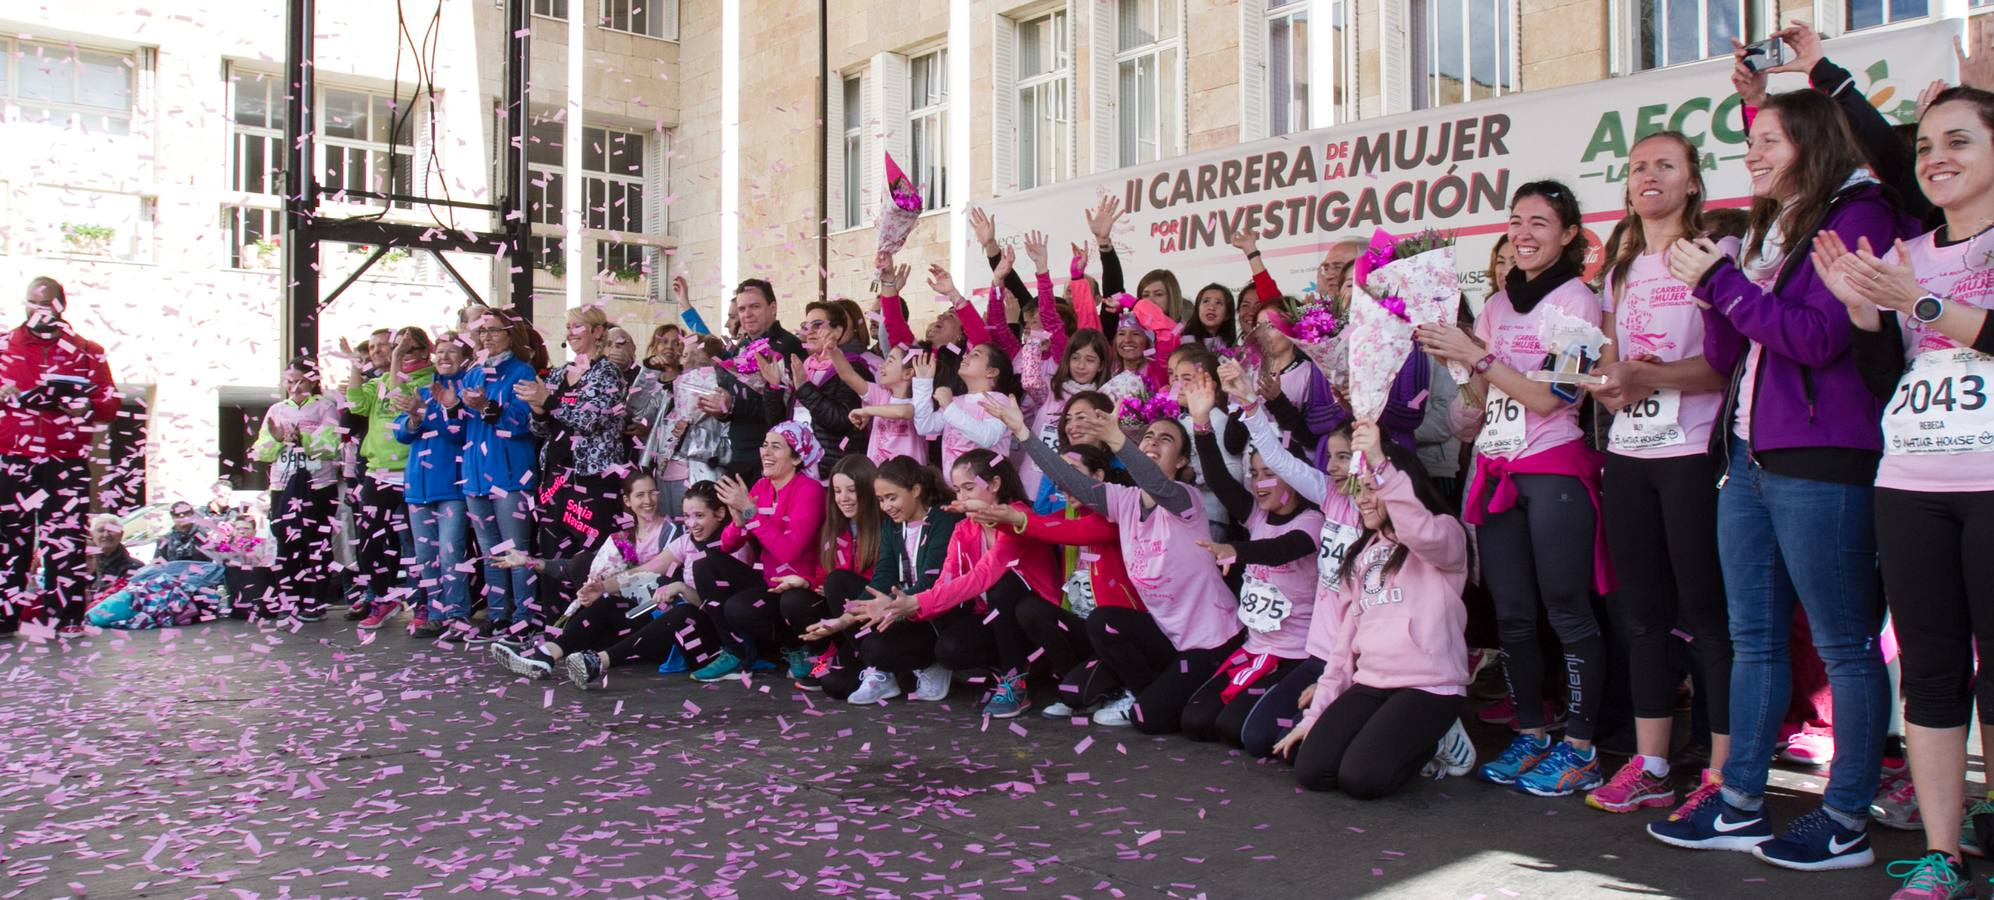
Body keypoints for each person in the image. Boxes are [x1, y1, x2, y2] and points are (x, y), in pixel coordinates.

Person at [1646, 87, 1902, 872]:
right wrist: (1710, 285)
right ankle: (1739, 803)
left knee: (1844, 646)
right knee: (1755, 638)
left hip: (1825, 457)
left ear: (1813, 143)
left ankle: (1847, 816)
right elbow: (1734, 355)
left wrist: (1722, 285)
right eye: (1750, 141)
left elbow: (1821, 339)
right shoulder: (1773, 226)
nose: (1750, 153)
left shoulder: (1859, 214)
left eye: (1767, 140)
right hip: (1750, 457)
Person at [1818, 85, 1994, 896]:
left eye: (1957, 141)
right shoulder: (1909, 253)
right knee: (1927, 670)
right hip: (1912, 482)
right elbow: (1891, 376)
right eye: (1924, 148)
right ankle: (1943, 853)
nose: (1936, 159)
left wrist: (1915, 301)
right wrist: (1862, 312)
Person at [1417, 180, 1613, 798]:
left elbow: (1553, 395)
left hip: (1554, 470)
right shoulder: (1499, 306)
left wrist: (1477, 363)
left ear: (1568, 236)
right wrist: (1466, 392)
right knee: (1514, 617)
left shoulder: (1580, 302)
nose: (1524, 233)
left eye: (1540, 222)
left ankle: (1582, 747)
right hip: (1499, 471)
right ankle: (1532, 733)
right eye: (1516, 221)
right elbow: (1484, 397)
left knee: (1566, 610)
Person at [1582, 131, 1737, 817]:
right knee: (1639, 615)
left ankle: (1723, 773)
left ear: (1693, 183)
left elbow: (1725, 367)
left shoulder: (1713, 256)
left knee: (1707, 617)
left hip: (1693, 457)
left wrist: (1650, 375)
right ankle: (1649, 765)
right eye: (1639, 166)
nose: (1650, 176)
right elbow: (1615, 371)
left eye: (1665, 165)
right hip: (1630, 455)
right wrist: (1606, 386)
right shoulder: (1619, 273)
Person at [1011, 397, 1245, 733]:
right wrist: (1021, 431)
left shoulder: (1185, 498)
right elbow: (1069, 478)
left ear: (1181, 460)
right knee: (1103, 621)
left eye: (1166, 439)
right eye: (1148, 436)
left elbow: (1156, 484)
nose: (1153, 442)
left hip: (1210, 639)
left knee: (1159, 722)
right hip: (1165, 637)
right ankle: (1142, 693)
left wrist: (1117, 439)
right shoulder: (1124, 500)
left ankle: (1178, 695)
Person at [1269, 423, 1471, 801]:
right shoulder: (1360, 554)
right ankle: (1398, 739)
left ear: (1401, 488)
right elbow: (1344, 648)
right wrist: (1314, 719)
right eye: (1357, 490)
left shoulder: (1444, 534)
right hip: (1372, 683)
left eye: (1372, 488)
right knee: (1312, 769)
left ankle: (1435, 740)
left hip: (1428, 687)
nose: (1361, 500)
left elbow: (1418, 531)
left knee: (1362, 779)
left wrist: (1379, 461)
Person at [845, 449, 1064, 719]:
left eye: (969, 488)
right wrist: (904, 606)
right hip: (991, 618)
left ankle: (1014, 682)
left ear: (994, 484)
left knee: (1002, 583)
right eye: (958, 490)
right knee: (950, 650)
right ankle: (1006, 667)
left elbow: (983, 575)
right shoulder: (964, 528)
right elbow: (948, 579)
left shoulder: (1017, 516)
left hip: (1038, 620)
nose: (961, 499)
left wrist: (915, 602)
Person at [0, 276, 120, 636]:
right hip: (14, 457)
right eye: (32, 304)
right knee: (9, 539)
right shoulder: (4, 347)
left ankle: (66, 617)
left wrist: (86, 404)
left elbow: (110, 403)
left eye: (46, 305)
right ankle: (4, 616)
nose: (38, 311)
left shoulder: (87, 350)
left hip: (65, 460)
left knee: (65, 540)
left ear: (60, 307)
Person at [803, 455, 962, 704]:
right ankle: (879, 673)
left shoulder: (944, 520)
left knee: (876, 648)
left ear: (916, 490)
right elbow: (882, 577)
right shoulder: (892, 526)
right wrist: (842, 621)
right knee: (837, 582)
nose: (886, 506)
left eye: (892, 498)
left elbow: (932, 581)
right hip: (900, 610)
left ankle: (931, 665)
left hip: (934, 616)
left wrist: (888, 606)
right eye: (881, 500)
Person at [562, 480, 748, 689]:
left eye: (699, 516)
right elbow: (647, 569)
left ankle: (599, 662)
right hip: (682, 630)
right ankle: (549, 652)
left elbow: (722, 608)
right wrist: (603, 587)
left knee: (682, 612)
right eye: (687, 516)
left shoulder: (736, 546)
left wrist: (681, 588)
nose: (691, 523)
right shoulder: (687, 541)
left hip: (719, 639)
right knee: (610, 604)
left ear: (720, 514)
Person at [489, 472, 674, 678]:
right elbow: (571, 568)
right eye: (640, 495)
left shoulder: (673, 531)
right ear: (627, 501)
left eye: (652, 493)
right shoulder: (623, 538)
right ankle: (548, 655)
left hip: (660, 614)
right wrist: (528, 561)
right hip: (629, 614)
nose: (647, 500)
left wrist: (605, 587)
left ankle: (547, 653)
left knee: (604, 604)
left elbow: (652, 571)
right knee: (585, 564)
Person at [518, 305, 631, 637]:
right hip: (555, 476)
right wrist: (538, 408)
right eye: (567, 326)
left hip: (594, 480)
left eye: (578, 326)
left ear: (597, 332)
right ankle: (554, 627)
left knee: (588, 557)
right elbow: (540, 429)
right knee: (552, 552)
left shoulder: (608, 373)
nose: (570, 332)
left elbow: (589, 419)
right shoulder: (557, 375)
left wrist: (549, 402)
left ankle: (586, 628)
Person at [692, 421, 827, 682]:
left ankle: (798, 648)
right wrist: (738, 522)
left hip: (801, 586)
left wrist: (750, 512)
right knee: (705, 564)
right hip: (768, 581)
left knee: (746, 608)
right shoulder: (760, 488)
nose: (765, 452)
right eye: (764, 445)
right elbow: (729, 545)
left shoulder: (809, 491)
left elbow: (788, 551)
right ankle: (734, 650)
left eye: (776, 447)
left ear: (797, 457)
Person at [459, 311, 542, 643]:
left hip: (509, 473)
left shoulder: (522, 371)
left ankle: (524, 616)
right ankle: (497, 616)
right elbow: (461, 427)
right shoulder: (473, 373)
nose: (487, 337)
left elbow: (523, 423)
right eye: (482, 332)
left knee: (517, 550)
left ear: (511, 334)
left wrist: (484, 407)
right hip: (475, 475)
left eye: (494, 331)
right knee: (490, 549)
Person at [346, 327, 435, 630]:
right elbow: (356, 403)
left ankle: (423, 603)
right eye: (395, 349)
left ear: (425, 352)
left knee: (415, 545)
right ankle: (383, 598)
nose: (389, 353)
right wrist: (354, 365)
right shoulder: (380, 381)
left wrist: (396, 357)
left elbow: (400, 397)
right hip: (379, 471)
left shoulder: (431, 380)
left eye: (404, 349)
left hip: (413, 472)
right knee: (371, 541)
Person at [395, 332, 472, 639]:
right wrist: (414, 417)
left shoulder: (468, 389)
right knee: (426, 556)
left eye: (451, 352)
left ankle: (457, 616)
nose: (444, 357)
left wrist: (424, 414)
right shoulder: (424, 389)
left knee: (452, 554)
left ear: (464, 358)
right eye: (440, 351)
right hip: (418, 486)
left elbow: (458, 431)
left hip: (452, 487)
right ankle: (436, 614)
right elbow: (401, 433)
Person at [251, 357, 341, 621]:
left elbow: (331, 444)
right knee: (286, 541)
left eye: (300, 381)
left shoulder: (326, 407)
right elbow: (262, 450)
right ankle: (290, 599)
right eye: (289, 381)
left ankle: (315, 600)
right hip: (283, 484)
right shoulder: (277, 410)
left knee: (317, 541)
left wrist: (303, 437)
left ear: (313, 380)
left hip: (319, 484)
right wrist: (278, 440)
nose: (294, 387)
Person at [710, 279, 804, 480]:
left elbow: (785, 407)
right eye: (742, 309)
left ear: (773, 308)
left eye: (754, 307)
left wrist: (733, 404)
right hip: (738, 454)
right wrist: (720, 408)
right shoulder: (739, 347)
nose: (747, 314)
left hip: (774, 458)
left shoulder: (787, 346)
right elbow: (729, 398)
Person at [85, 514, 139, 601]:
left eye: (111, 530)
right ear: (92, 534)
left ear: (121, 534)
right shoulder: (81, 565)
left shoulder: (136, 567)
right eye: (101, 530)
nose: (106, 535)